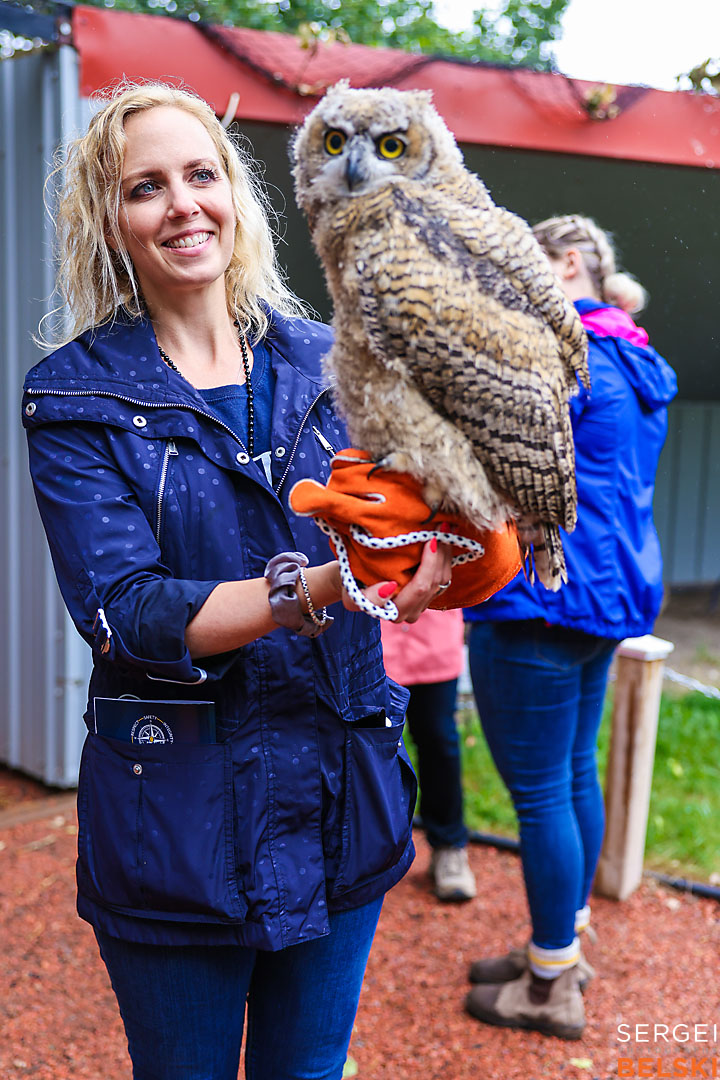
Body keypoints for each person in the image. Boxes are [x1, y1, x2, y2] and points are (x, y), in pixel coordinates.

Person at [22, 83, 455, 1080]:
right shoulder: (76, 398)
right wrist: (326, 588)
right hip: (177, 823)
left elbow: (410, 514)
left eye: (200, 174)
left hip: (340, 798)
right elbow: (126, 611)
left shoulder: (337, 361)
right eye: (147, 187)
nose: (182, 204)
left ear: (235, 194)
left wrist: (448, 549)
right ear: (110, 221)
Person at [463, 215, 677, 1040]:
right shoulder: (629, 350)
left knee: (545, 788)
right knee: (572, 773)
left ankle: (552, 983)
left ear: (570, 261)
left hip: (543, 593)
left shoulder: (560, 353)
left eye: (526, 264)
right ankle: (562, 944)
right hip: (606, 589)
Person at [381, 608, 477, 902]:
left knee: (438, 742)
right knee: (366, 747)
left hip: (433, 635)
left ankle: (449, 847)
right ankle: (364, 854)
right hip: (371, 637)